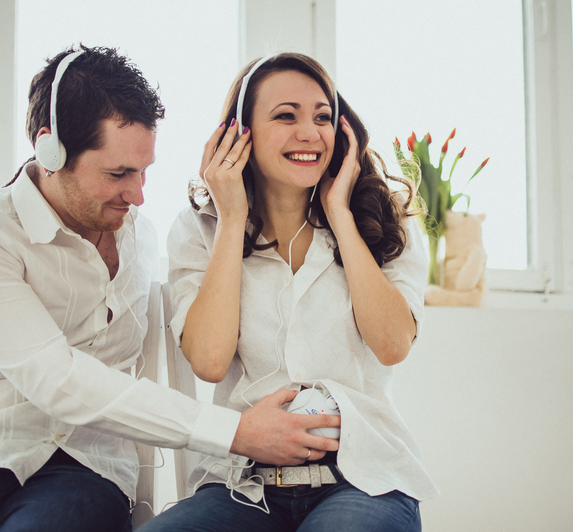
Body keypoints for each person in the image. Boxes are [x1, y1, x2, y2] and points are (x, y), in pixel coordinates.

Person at [0, 46, 340, 532]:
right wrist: (234, 431)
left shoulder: (140, 235)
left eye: (144, 170)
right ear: (50, 151)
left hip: (84, 472)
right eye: (118, 174)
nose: (138, 195)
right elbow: (55, 378)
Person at [138, 53, 439, 532]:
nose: (309, 133)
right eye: (285, 116)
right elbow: (210, 361)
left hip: (363, 479)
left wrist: (340, 213)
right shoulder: (200, 228)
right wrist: (232, 218)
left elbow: (391, 345)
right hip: (244, 484)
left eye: (322, 117)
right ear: (240, 134)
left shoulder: (385, 219)